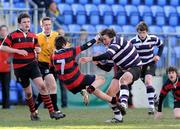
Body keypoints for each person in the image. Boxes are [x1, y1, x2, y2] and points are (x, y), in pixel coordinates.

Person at [0, 13, 64, 121]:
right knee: (28, 93)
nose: (27, 24)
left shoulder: (33, 36)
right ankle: (33, 113)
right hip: (20, 68)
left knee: (42, 86)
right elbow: (2, 47)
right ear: (19, 23)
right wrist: (17, 50)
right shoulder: (12, 35)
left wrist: (37, 50)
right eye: (24, 22)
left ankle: (52, 112)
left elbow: (36, 47)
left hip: (32, 65)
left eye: (28, 22)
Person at [79, 28, 142, 123]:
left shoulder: (117, 41)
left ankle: (123, 105)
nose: (104, 42)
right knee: (109, 94)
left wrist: (90, 58)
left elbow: (108, 55)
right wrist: (97, 63)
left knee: (123, 80)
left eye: (105, 39)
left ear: (111, 37)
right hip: (123, 69)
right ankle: (118, 118)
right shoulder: (110, 48)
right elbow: (108, 68)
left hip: (135, 67)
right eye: (102, 40)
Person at [52, 35, 122, 109]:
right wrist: (95, 39)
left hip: (68, 86)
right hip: (77, 80)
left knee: (94, 90)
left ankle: (113, 100)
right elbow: (85, 46)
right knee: (101, 79)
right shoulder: (70, 51)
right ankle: (89, 89)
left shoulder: (53, 56)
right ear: (63, 45)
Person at [129, 21, 164, 115]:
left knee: (148, 81)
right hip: (139, 66)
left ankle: (151, 107)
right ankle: (155, 97)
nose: (142, 34)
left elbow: (161, 45)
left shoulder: (153, 38)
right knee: (147, 85)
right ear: (137, 32)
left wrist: (158, 56)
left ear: (147, 32)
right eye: (140, 32)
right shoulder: (133, 41)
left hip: (150, 63)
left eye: (144, 32)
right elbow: (129, 52)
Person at [35, 17, 66, 114]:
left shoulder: (56, 35)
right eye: (45, 25)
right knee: (52, 84)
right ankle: (55, 109)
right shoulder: (37, 37)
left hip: (54, 65)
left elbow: (65, 47)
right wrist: (35, 52)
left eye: (49, 24)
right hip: (42, 65)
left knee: (46, 88)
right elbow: (33, 50)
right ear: (41, 26)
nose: (47, 26)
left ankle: (34, 107)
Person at [0, 25, 11, 109]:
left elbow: (13, 54)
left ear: (7, 32)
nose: (3, 32)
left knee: (6, 88)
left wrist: (9, 60)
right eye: (2, 30)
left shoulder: (10, 42)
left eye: (5, 30)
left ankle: (6, 106)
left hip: (6, 69)